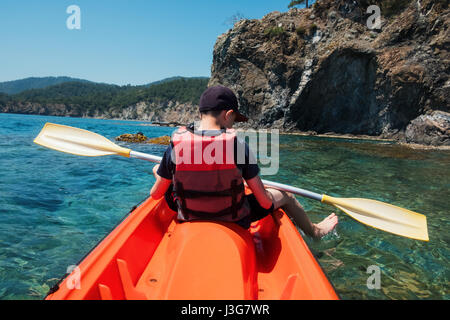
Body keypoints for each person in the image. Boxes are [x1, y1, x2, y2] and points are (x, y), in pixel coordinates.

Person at [150, 85, 338, 239]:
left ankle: (160, 171)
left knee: (157, 168)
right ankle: (315, 231)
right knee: (287, 195)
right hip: (232, 217)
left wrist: (161, 173)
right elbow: (264, 203)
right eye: (234, 119)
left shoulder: (175, 146)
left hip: (189, 213)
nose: (233, 124)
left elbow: (156, 194)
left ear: (200, 114)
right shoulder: (238, 146)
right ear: (228, 114)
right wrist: (271, 195)